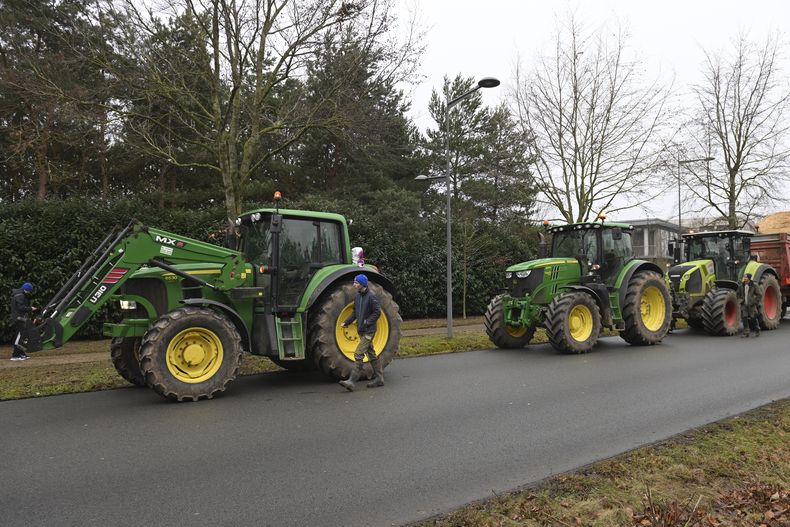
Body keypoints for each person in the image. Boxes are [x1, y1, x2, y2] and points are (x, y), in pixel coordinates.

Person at [339, 274, 383, 391]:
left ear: (362, 284)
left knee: (358, 354)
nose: (354, 285)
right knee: (371, 354)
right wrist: (347, 322)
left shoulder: (371, 296)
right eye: (354, 282)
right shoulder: (358, 296)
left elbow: (377, 312)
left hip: (369, 330)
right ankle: (379, 379)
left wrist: (367, 322)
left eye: (356, 283)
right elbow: (355, 312)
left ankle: (351, 381)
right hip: (361, 330)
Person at [10, 282, 36, 361]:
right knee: (19, 336)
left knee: (22, 336)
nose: (29, 292)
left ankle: (21, 353)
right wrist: (30, 309)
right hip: (19, 319)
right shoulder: (20, 295)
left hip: (20, 318)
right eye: (29, 291)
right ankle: (15, 355)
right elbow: (21, 308)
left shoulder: (19, 294)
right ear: (26, 290)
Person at [738, 273, 761, 338]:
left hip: (751, 305)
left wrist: (754, 302)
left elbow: (759, 295)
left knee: (753, 318)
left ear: (749, 278)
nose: (744, 279)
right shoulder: (741, 286)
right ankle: (746, 332)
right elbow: (737, 294)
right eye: (744, 277)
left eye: (746, 278)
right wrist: (740, 301)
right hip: (744, 305)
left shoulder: (754, 285)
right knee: (744, 318)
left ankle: (757, 329)